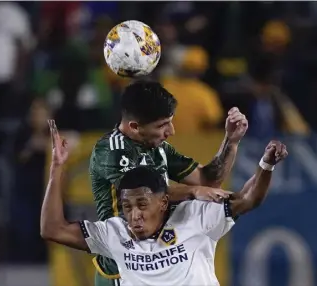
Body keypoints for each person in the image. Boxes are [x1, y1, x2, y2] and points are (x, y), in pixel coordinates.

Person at [41, 119, 288, 286]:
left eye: (142, 204)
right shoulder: (114, 233)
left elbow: (248, 198)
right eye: (127, 207)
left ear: (163, 203)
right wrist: (56, 169)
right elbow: (52, 229)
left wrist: (266, 165)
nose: (134, 215)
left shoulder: (195, 217)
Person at [89, 80, 248, 285]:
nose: (171, 131)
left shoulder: (158, 147)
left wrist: (231, 141)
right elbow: (143, 196)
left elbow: (209, 180)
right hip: (121, 270)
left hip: (157, 264)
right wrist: (193, 192)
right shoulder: (111, 151)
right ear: (135, 127)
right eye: (162, 125)